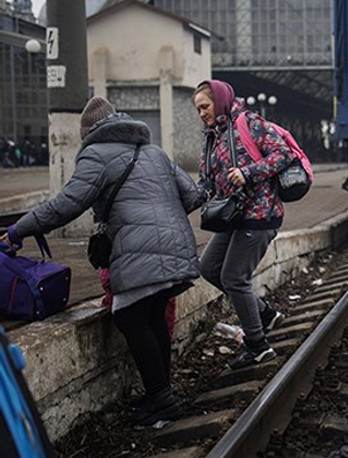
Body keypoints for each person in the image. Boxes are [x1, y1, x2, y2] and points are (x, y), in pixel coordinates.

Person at [0, 96, 200, 426]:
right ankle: (160, 393)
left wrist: (18, 230)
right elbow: (191, 195)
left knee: (130, 316)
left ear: (89, 131)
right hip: (178, 247)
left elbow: (66, 205)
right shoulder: (154, 151)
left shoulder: (96, 153)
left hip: (142, 251)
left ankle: (162, 398)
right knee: (149, 315)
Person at [193, 80, 290, 370]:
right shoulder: (213, 136)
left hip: (260, 214)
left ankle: (257, 346)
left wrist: (248, 173)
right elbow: (206, 181)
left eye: (205, 106)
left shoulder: (249, 123)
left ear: (220, 101)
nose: (201, 113)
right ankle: (265, 315)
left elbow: (282, 154)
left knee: (235, 278)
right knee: (209, 267)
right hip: (234, 216)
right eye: (198, 109)